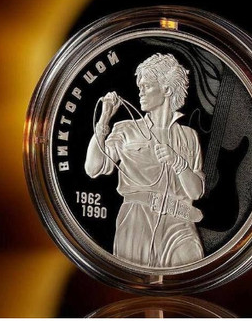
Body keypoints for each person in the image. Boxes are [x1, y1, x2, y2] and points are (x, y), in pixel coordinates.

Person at [84, 53, 205, 267]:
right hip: (136, 221)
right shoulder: (126, 129)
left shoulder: (189, 136)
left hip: (180, 224)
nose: (140, 91)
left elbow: (196, 192)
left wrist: (178, 163)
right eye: (139, 86)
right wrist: (104, 120)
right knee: (133, 281)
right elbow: (93, 168)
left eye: (147, 86)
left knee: (187, 280)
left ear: (167, 89)